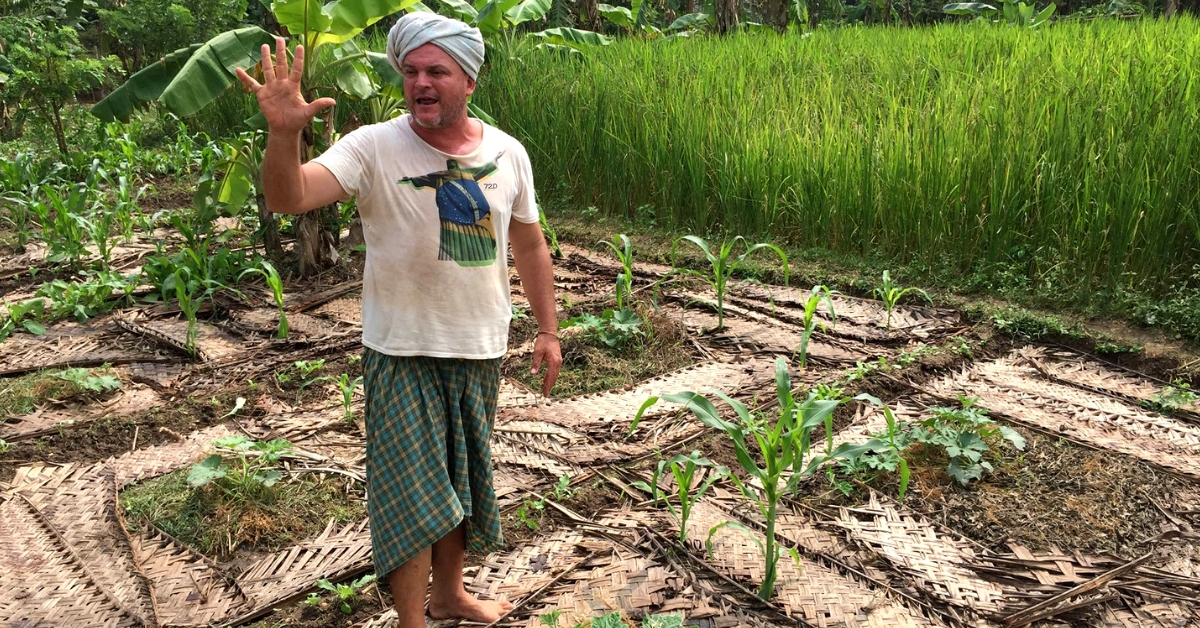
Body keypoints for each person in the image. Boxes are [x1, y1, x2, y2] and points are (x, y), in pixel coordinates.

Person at [234, 12, 563, 628]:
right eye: (410, 70)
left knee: (462, 477)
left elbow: (529, 245)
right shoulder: (373, 146)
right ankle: (412, 620)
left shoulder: (508, 153)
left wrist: (547, 330)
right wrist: (283, 135)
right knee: (413, 490)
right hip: (400, 348)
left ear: (470, 79)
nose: (421, 82)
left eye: (437, 70)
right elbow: (289, 198)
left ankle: (449, 595)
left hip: (480, 345)